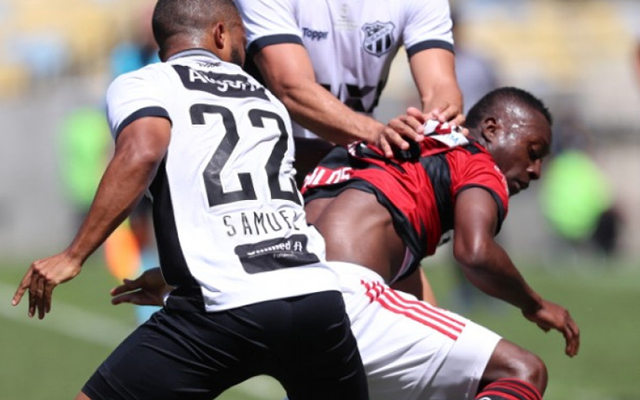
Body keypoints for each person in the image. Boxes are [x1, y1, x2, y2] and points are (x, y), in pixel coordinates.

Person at [111, 87, 580, 400]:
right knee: (522, 373)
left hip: (271, 296)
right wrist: (536, 304)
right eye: (533, 151)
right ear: (493, 129)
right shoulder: (476, 160)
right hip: (347, 300)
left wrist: (180, 282)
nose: (536, 171)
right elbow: (475, 254)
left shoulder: (368, 144)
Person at [12, 1, 369, 400]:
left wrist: (73, 255)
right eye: (241, 34)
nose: (246, 45)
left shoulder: (147, 83)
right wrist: (172, 279)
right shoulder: (266, 99)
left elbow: (142, 151)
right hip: (315, 302)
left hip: (221, 310)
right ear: (219, 33)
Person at [235, 0, 464, 182]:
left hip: (357, 163)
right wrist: (377, 135)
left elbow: (440, 86)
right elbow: (290, 87)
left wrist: (435, 125)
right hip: (271, 166)